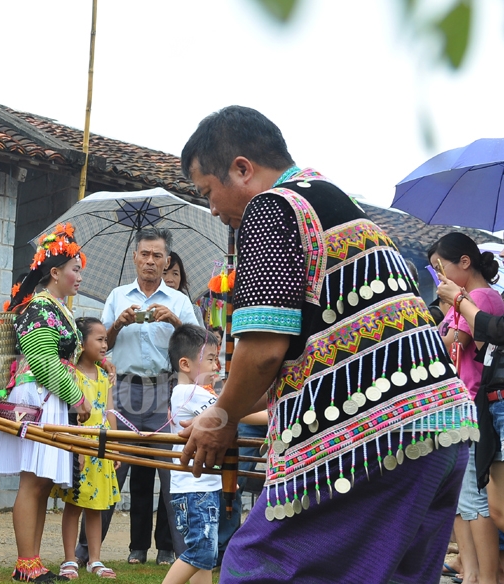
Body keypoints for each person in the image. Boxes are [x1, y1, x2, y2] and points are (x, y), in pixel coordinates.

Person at [178, 105, 474, 583]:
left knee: (255, 569)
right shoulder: (337, 203)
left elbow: (264, 352)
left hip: (374, 437)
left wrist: (219, 419)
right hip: (442, 429)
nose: (212, 209)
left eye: (208, 192)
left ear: (241, 168)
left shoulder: (272, 207)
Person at [82, 227, 198, 567]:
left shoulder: (179, 301)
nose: (150, 260)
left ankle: (186, 556)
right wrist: (117, 325)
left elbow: (198, 346)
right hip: (123, 392)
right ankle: (88, 553)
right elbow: (99, 347)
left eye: (157, 255)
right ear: (135, 257)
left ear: (167, 262)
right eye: (145, 254)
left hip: (166, 393)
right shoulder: (118, 296)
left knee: (172, 473)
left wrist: (176, 322)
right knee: (109, 471)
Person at [0, 223, 92, 583]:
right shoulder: (39, 308)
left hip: (50, 398)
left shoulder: (54, 307)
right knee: (33, 482)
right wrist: (77, 397)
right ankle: (26, 563)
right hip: (39, 398)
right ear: (55, 272)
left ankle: (32, 561)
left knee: (42, 483)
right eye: (75, 269)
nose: (79, 275)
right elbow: (44, 362)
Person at [164, 325, 266, 584]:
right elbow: (237, 412)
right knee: (201, 550)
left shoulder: (190, 392)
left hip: (199, 484)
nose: (216, 366)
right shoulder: (191, 393)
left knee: (205, 558)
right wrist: (277, 411)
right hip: (194, 486)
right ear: (185, 364)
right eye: (210, 359)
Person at [430, 233, 504, 584]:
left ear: (464, 262)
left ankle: (486, 575)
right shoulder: (463, 301)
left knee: (482, 500)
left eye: (440, 266)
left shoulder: (482, 297)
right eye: (433, 270)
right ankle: (473, 571)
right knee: (465, 495)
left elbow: (456, 343)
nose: (438, 275)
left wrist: (456, 304)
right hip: (464, 404)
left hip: (478, 401)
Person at [52, 317, 120, 580]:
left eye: (106, 340)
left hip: (101, 449)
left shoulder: (104, 375)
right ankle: (70, 559)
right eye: (100, 339)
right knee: (74, 504)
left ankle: (95, 559)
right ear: (81, 343)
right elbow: (69, 415)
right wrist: (74, 448)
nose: (105, 345)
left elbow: (109, 410)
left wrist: (113, 444)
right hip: (80, 448)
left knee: (97, 506)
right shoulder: (71, 375)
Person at [163, 251, 204, 325]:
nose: (169, 279)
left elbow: (201, 336)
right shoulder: (146, 305)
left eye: (175, 274)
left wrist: (178, 324)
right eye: (164, 273)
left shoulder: (192, 310)